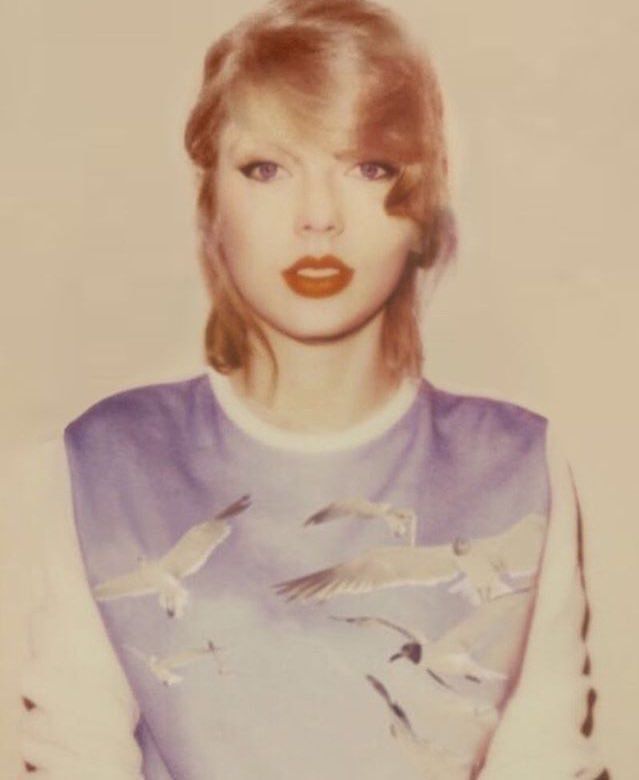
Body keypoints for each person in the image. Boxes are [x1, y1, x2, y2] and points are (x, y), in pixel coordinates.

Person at [18, 0, 609, 777]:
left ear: (419, 203)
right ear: (211, 201)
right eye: (267, 168)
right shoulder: (107, 462)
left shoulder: (517, 466)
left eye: (367, 167)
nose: (318, 217)